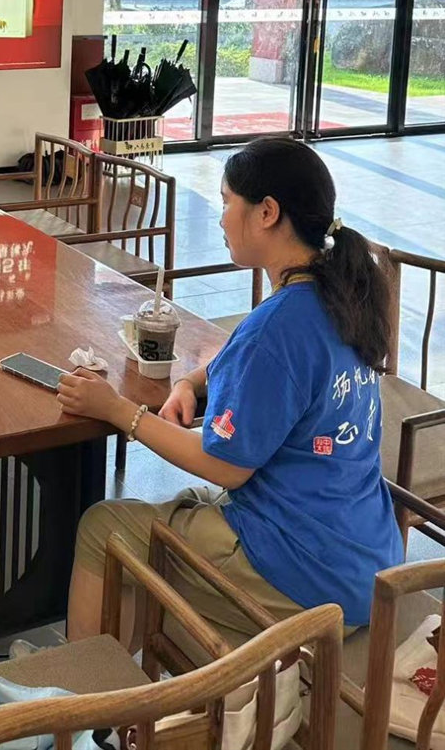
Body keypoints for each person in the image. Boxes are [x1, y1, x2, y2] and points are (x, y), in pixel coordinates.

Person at [57, 136, 402, 647]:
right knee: (176, 510)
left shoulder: (277, 326)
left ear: (267, 212)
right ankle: (123, 673)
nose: (219, 220)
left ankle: (83, 691)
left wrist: (118, 411)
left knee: (103, 527)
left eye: (225, 203)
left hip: (304, 573)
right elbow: (248, 361)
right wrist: (190, 382)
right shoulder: (338, 295)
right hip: (364, 555)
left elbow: (225, 467)